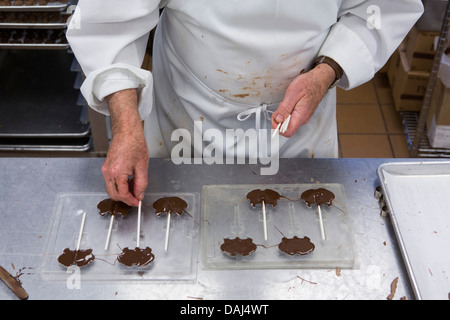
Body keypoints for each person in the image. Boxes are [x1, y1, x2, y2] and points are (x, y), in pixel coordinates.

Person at [67, 0, 423, 207]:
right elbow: (110, 21)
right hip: (187, 116)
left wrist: (327, 72)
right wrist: (126, 123)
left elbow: (382, 9)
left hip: (300, 122)